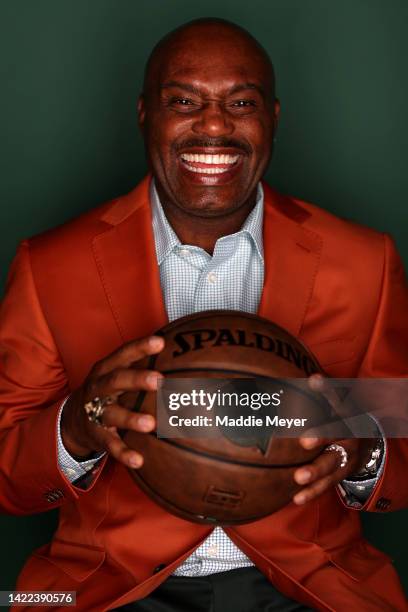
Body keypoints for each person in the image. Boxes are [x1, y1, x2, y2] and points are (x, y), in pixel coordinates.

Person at [0, 17, 407, 612]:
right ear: (146, 113)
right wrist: (79, 426)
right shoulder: (50, 264)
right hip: (104, 586)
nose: (214, 125)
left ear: (273, 117)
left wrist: (364, 450)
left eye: (240, 102)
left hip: (311, 585)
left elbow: (401, 430)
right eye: (184, 101)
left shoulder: (364, 260)